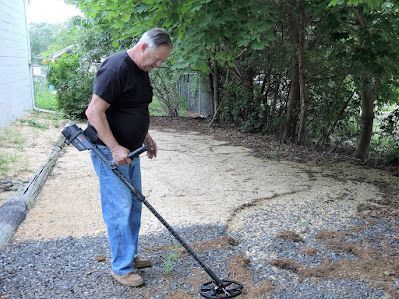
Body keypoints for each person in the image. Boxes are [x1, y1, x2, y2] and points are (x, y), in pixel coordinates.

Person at [85, 28, 172, 287]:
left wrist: (145, 136)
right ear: (143, 46)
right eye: (157, 58)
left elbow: (134, 107)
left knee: (133, 205)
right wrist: (114, 147)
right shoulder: (116, 68)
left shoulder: (141, 70)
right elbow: (93, 111)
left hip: (131, 152)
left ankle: (129, 256)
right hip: (110, 152)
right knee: (119, 208)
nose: (158, 64)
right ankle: (121, 268)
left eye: (162, 61)